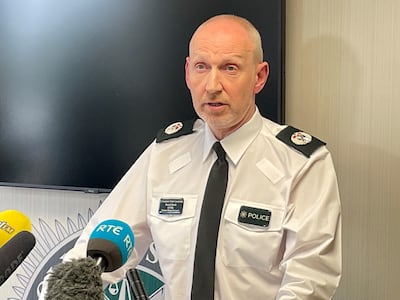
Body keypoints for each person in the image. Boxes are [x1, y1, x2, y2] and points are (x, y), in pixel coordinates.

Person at [41, 14, 341, 299]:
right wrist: (64, 288)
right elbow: (103, 239)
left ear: (259, 76)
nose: (212, 86)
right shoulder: (164, 153)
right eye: (201, 66)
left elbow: (309, 279)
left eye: (230, 68)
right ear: (187, 72)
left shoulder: (303, 163)